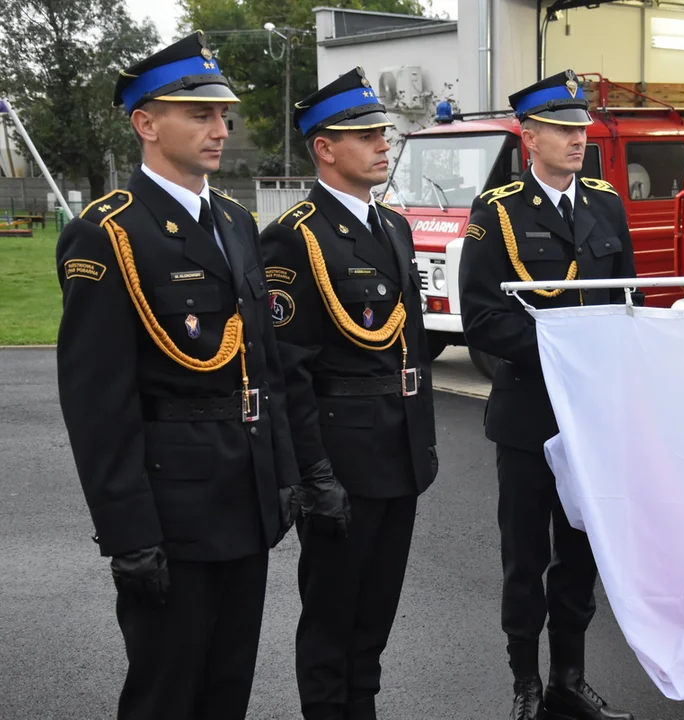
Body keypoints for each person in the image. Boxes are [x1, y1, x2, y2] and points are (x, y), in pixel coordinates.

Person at [54, 31, 300, 720]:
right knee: (166, 693)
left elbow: (264, 367)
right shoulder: (108, 235)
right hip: (173, 511)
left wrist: (281, 475)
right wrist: (129, 535)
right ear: (145, 123)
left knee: (227, 690)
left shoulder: (236, 221)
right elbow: (97, 403)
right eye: (200, 114)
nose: (220, 128)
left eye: (223, 115)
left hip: (245, 498)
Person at [259, 68, 438, 720]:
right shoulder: (294, 237)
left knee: (374, 623)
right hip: (342, 464)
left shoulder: (391, 227)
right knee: (333, 623)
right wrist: (313, 474)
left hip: (397, 458)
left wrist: (423, 443)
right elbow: (287, 372)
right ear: (325, 148)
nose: (381, 144)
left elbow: (408, 347)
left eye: (382, 133)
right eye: (364, 135)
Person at [459, 69, 638, 720]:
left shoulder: (604, 204)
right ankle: (524, 686)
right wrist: (568, 352)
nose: (576, 139)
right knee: (525, 560)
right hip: (528, 412)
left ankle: (568, 679)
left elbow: (627, 300)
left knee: (578, 556)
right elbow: (480, 318)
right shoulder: (498, 212)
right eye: (561, 129)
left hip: (590, 419)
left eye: (580, 128)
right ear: (527, 135)